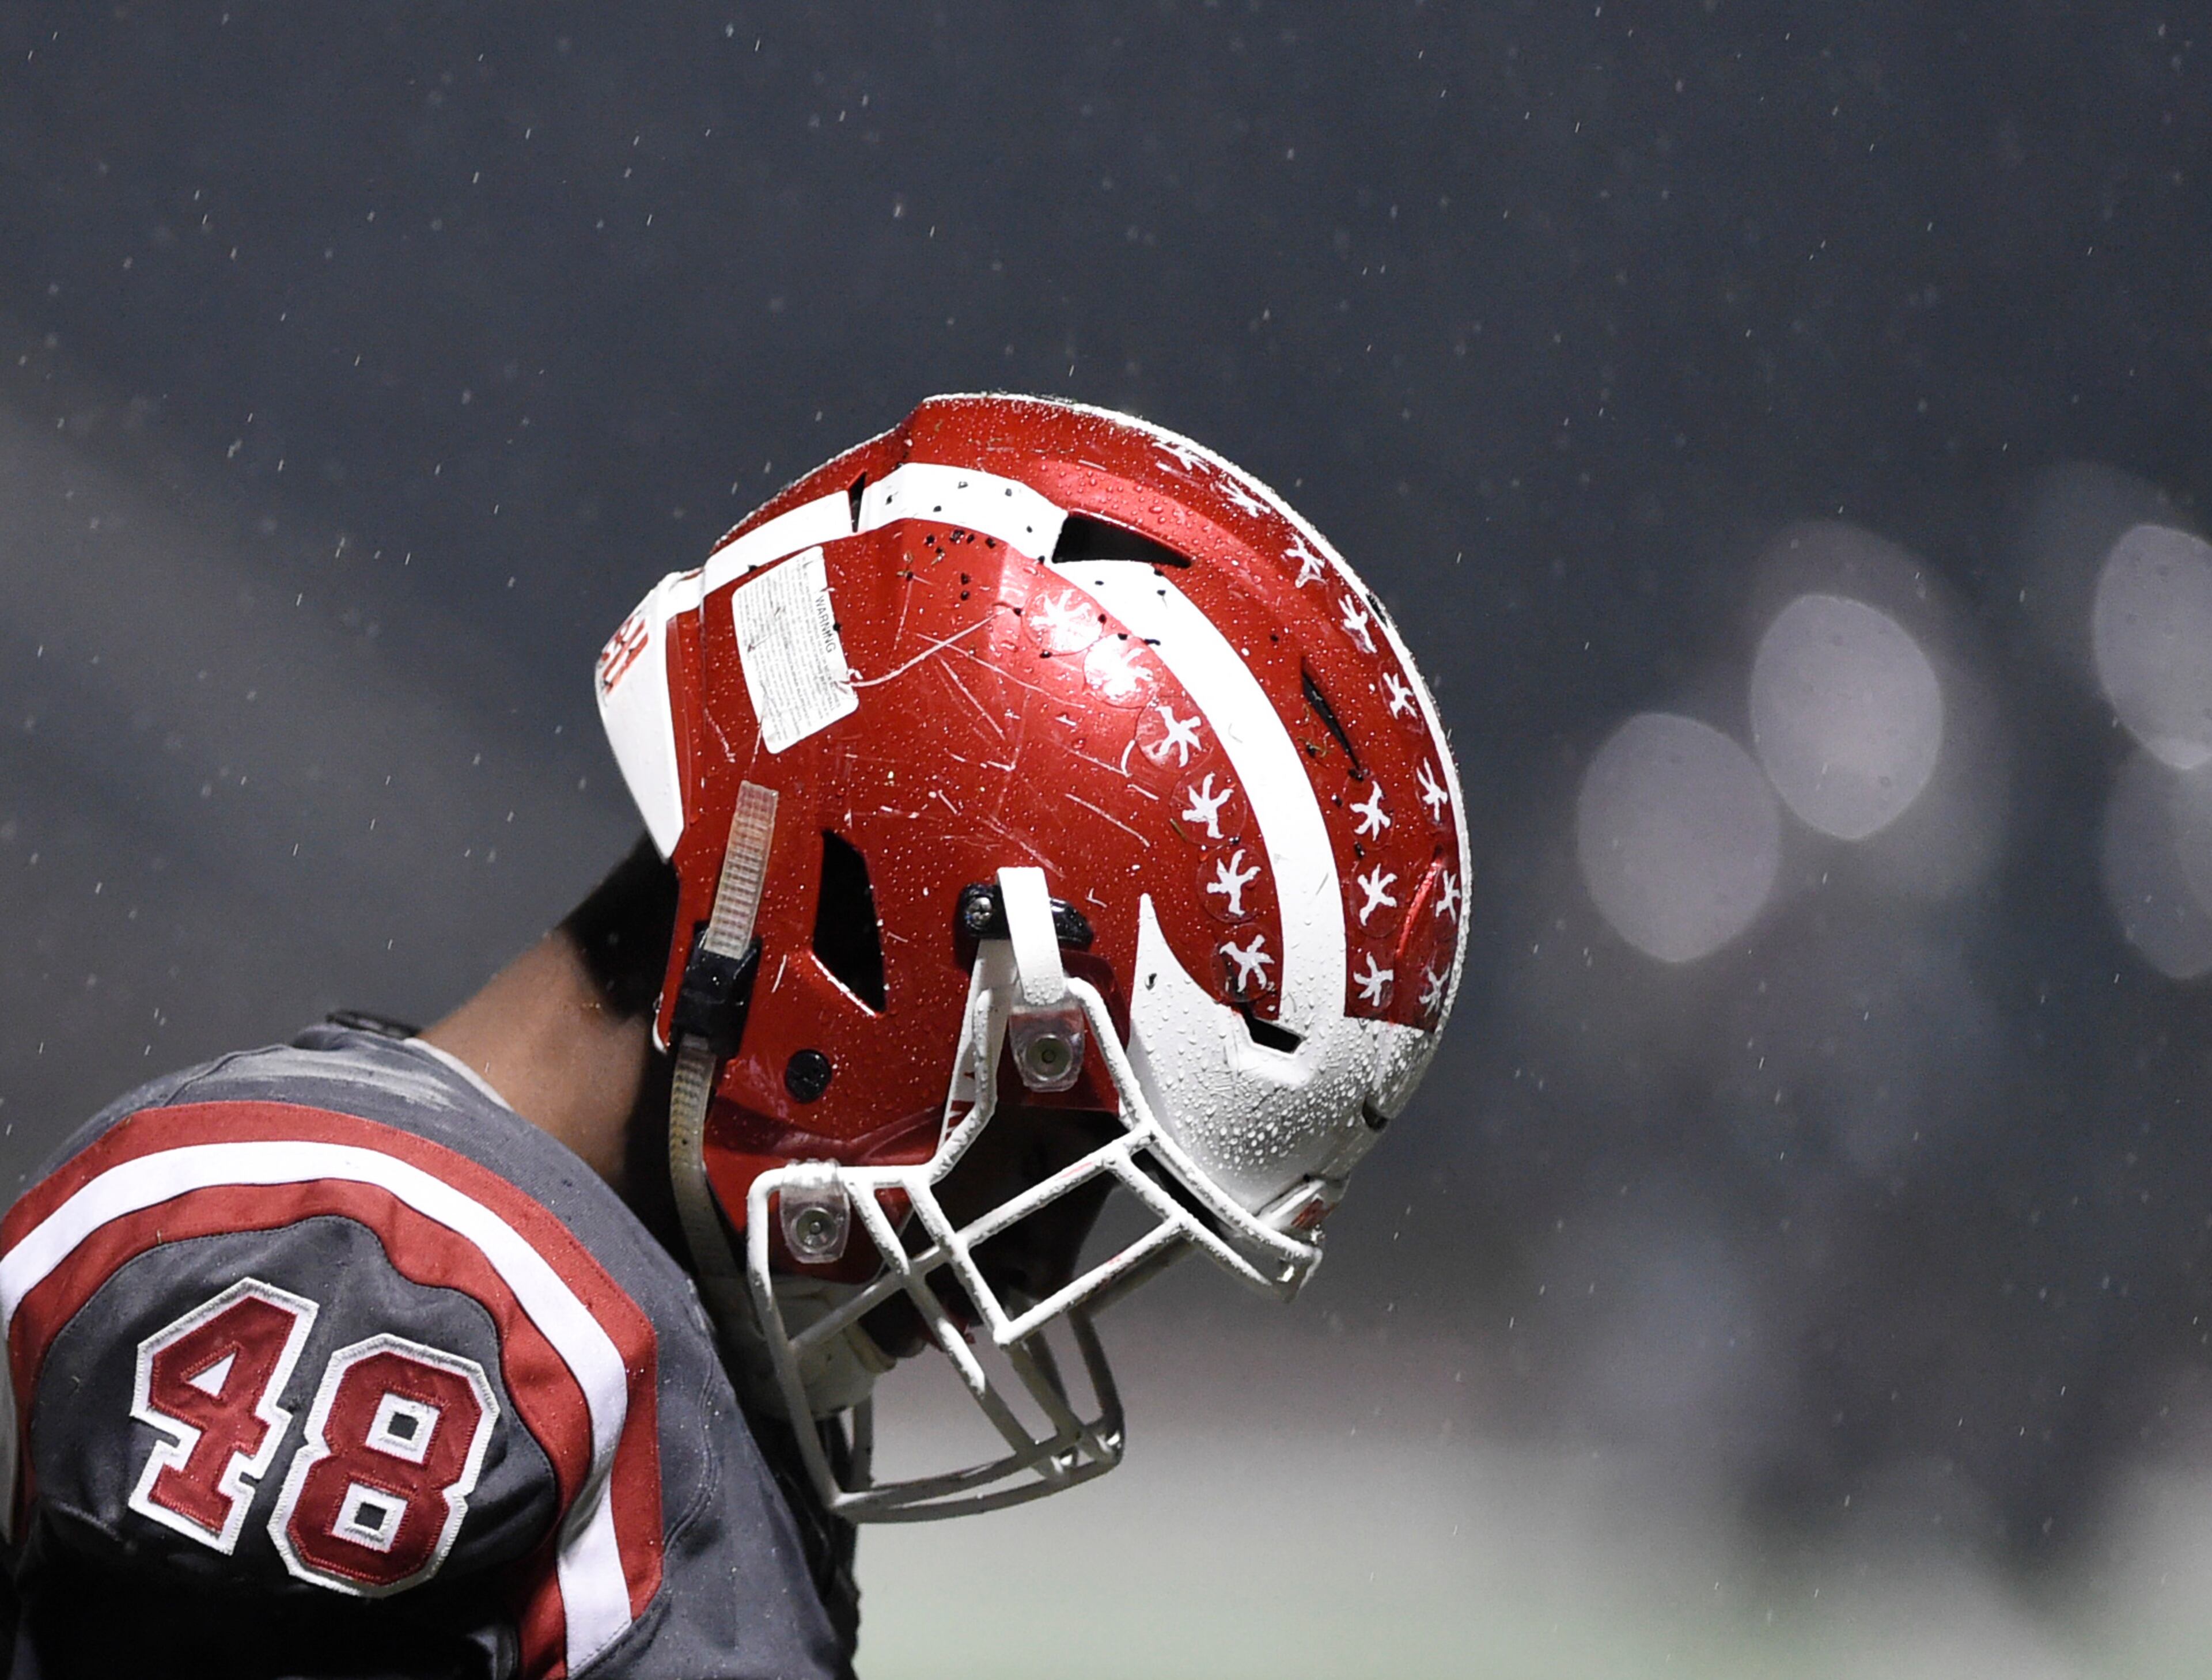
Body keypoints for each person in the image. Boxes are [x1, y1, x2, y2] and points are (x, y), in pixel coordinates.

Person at [0, 394, 1470, 1677]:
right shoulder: (397, 1284)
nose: (1034, 1264)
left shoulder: (630, 1329)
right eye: (1064, 1152)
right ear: (856, 950)